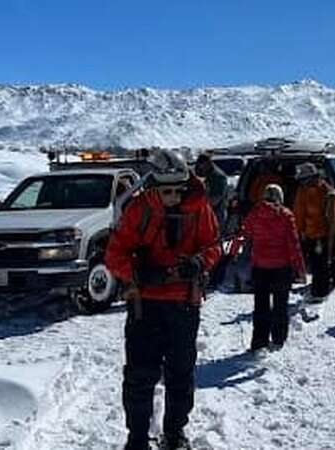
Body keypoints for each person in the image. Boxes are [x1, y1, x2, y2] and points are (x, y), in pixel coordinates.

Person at [106, 149, 221, 450]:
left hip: (184, 302)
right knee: (139, 376)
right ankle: (137, 437)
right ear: (153, 187)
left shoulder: (199, 207)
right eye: (166, 190)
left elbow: (213, 246)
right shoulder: (138, 209)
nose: (173, 196)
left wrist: (198, 262)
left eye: (177, 190)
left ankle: (174, 433)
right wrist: (138, 271)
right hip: (145, 304)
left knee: (180, 375)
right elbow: (115, 253)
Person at [241, 184, 305, 352]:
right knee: (280, 305)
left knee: (261, 306)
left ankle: (259, 342)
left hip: (260, 266)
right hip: (281, 267)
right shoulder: (286, 215)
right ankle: (278, 339)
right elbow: (293, 244)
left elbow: (245, 234)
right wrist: (299, 268)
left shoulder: (255, 213)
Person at [292, 162, 334, 301]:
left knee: (317, 264)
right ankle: (321, 288)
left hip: (313, 232)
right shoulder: (325, 187)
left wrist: (298, 232)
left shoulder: (304, 191)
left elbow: (299, 214)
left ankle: (319, 292)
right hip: (325, 232)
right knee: (321, 263)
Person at [195, 153, 229, 230]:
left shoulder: (218, 177)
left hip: (217, 212)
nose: (201, 167)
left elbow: (216, 198)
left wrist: (202, 206)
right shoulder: (208, 175)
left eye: (202, 165)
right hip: (210, 211)